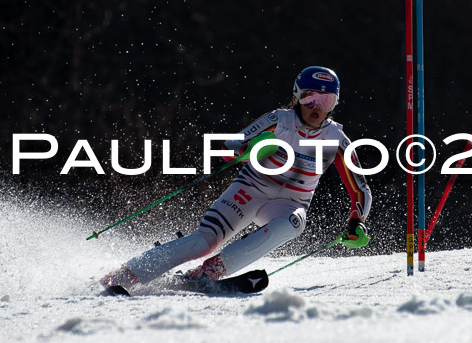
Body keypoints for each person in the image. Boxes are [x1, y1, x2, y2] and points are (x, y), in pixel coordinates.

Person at [100, 66, 372, 290]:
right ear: (297, 96)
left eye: (326, 101)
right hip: (250, 190)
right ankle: (122, 275)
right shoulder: (280, 120)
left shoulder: (337, 139)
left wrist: (356, 221)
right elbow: (231, 145)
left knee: (295, 222)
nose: (317, 107)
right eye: (310, 98)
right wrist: (247, 150)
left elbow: (361, 190)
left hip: (287, 205)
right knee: (203, 242)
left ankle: (209, 273)